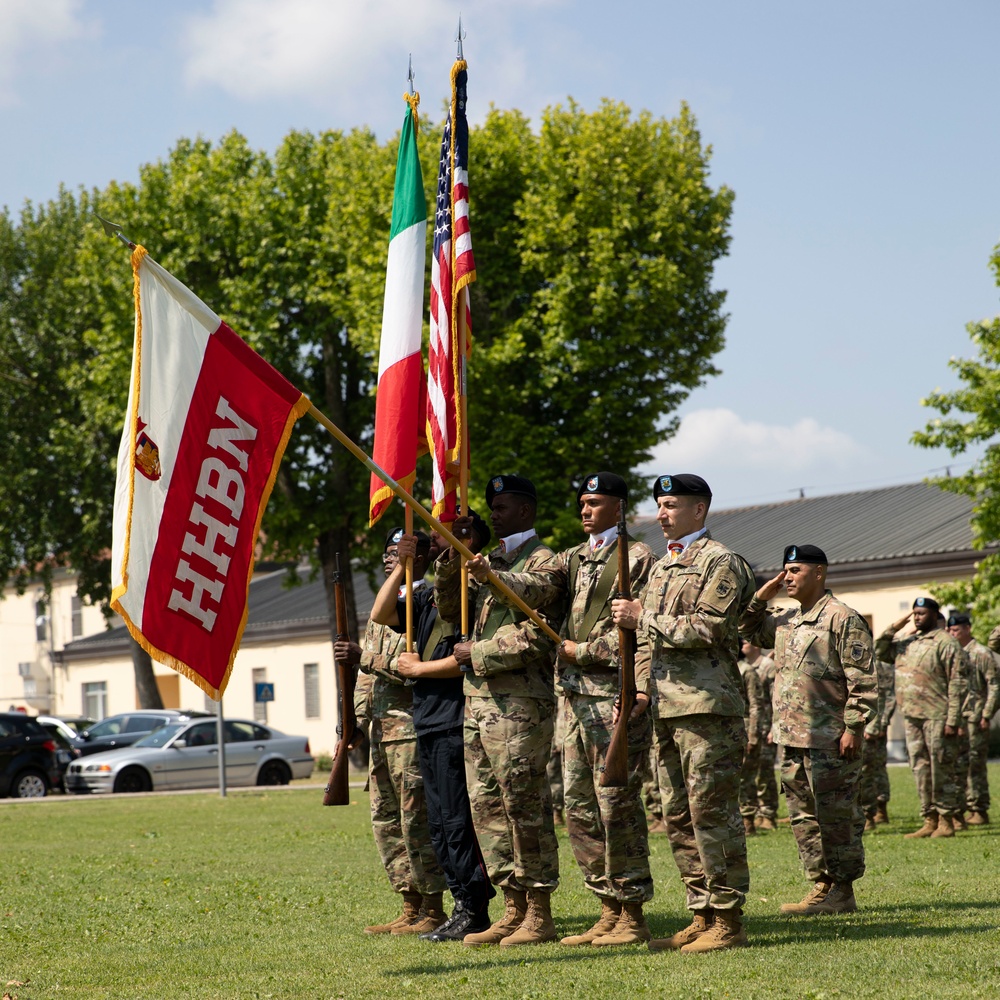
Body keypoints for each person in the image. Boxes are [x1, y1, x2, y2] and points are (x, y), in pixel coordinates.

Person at [473, 471, 658, 947]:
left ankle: (632, 910)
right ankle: (606, 908)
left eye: (595, 502)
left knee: (617, 804)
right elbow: (535, 589)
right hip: (573, 699)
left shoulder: (637, 558)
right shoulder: (571, 559)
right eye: (582, 503)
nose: (585, 510)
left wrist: (588, 653)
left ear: (619, 507)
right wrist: (492, 575)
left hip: (613, 696)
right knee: (579, 808)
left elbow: (642, 633)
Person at [612, 473, 756, 954]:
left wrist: (642, 617)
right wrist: (636, 688)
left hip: (707, 707)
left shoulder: (722, 563)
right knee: (677, 814)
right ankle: (702, 912)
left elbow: (710, 628)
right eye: (658, 504)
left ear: (700, 510)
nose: (661, 514)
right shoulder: (659, 568)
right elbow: (647, 642)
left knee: (711, 813)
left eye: (671, 504)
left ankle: (728, 919)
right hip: (666, 707)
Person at [435, 475, 563, 947]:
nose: (494, 513)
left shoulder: (544, 561)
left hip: (520, 704)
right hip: (478, 703)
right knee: (487, 808)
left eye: (503, 507)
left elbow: (541, 630)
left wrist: (481, 653)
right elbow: (451, 610)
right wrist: (454, 553)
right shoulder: (482, 560)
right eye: (491, 506)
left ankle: (540, 910)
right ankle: (512, 906)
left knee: (523, 806)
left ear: (526, 511)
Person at [740, 544, 877, 915]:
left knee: (836, 815)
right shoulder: (786, 619)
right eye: (785, 571)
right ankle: (822, 884)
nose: (788, 577)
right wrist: (760, 596)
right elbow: (745, 629)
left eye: (796, 570)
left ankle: (843, 889)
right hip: (790, 736)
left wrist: (853, 727)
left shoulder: (842, 618)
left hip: (829, 737)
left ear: (819, 573)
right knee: (803, 816)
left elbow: (862, 681)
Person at [384, 513, 497, 942]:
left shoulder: (471, 595)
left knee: (456, 818)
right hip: (426, 718)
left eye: (457, 535)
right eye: (437, 538)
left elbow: (464, 657)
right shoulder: (429, 595)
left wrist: (420, 667)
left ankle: (475, 906)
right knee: (437, 823)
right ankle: (459, 903)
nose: (442, 543)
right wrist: (401, 565)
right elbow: (380, 614)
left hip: (454, 717)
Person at [341, 528, 447, 935]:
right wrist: (351, 721)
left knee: (414, 821)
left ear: (418, 558)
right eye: (386, 553)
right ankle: (410, 903)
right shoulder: (387, 602)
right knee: (385, 820)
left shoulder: (425, 601)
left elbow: (412, 669)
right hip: (380, 730)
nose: (389, 559)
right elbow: (366, 681)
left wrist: (363, 657)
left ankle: (434, 906)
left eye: (397, 553)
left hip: (409, 729)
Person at [875, 598, 969, 839]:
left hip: (937, 715)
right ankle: (929, 819)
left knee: (941, 768)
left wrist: (953, 720)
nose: (917, 617)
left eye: (922, 613)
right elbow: (879, 651)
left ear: (935, 614)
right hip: (912, 716)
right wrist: (894, 627)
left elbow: (958, 683)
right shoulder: (907, 642)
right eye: (914, 613)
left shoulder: (946, 643)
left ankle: (946, 821)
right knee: (920, 768)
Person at [946, 613, 999, 825]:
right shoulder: (953, 653)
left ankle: (979, 809)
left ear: (968, 629)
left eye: (956, 630)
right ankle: (960, 809)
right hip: (957, 718)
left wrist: (987, 714)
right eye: (950, 630)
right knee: (957, 766)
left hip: (976, 718)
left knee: (974, 766)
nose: (952, 634)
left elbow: (994, 685)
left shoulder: (981, 653)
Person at [860, 658, 896, 830]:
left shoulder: (879, 662)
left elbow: (888, 695)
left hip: (872, 726)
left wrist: (878, 724)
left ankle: (872, 813)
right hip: (852, 723)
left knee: (872, 768)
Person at [737, 641, 766, 837]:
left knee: (745, 777)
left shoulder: (746, 670)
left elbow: (756, 704)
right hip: (729, 729)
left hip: (746, 729)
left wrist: (753, 735)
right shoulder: (725, 669)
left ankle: (748, 821)